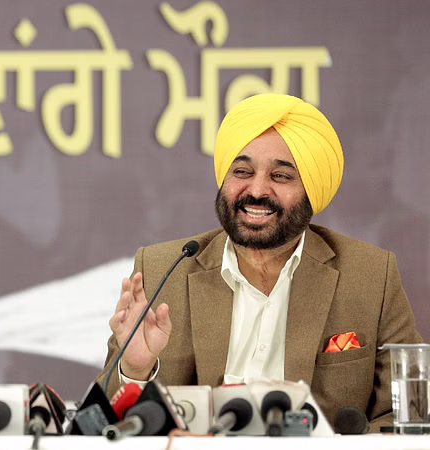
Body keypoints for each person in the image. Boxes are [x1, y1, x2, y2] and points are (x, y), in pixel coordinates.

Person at [96, 93, 422, 431]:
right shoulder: (165, 269)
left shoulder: (370, 275)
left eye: (280, 176)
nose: (257, 190)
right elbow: (100, 423)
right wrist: (134, 371)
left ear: (311, 189)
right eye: (242, 171)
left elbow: (407, 417)